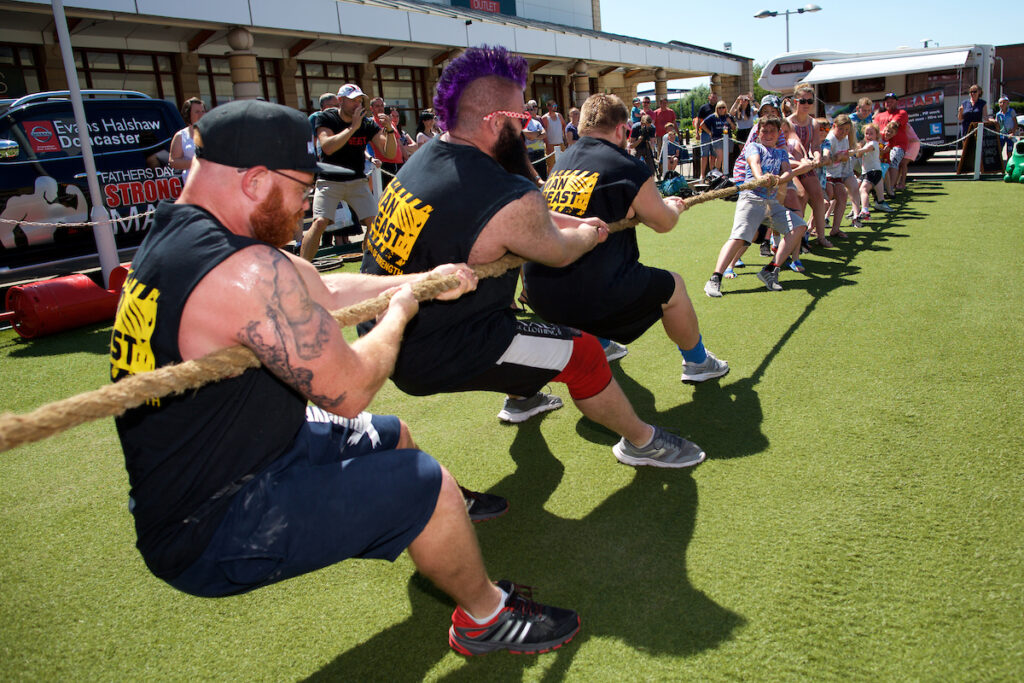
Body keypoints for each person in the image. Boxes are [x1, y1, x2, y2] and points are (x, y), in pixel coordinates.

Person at [108, 99, 580, 657]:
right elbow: (348, 390)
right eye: (302, 189)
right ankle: (484, 618)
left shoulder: (177, 235)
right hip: (212, 520)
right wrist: (400, 313)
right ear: (256, 181)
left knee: (394, 435)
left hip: (241, 457)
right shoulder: (245, 271)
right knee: (422, 482)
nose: (304, 207)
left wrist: (424, 279)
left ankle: (439, 527)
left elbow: (326, 292)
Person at [359, 46, 709, 470]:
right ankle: (642, 442)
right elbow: (559, 252)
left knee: (515, 319)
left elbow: (521, 216)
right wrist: (584, 232)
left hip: (386, 332)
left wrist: (569, 220)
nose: (528, 131)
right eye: (522, 121)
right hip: (434, 346)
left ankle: (522, 397)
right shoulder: (501, 190)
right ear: (496, 121)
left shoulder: (426, 159)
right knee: (584, 355)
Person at [524, 90, 729, 386]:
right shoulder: (626, 165)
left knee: (601, 265)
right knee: (674, 287)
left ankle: (603, 344)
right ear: (622, 129)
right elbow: (662, 223)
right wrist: (675, 206)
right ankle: (698, 362)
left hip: (540, 294)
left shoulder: (562, 162)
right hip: (583, 297)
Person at [703, 116, 808, 297]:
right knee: (739, 237)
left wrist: (777, 180)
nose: (768, 134)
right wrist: (761, 178)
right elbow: (755, 164)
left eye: (772, 131)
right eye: (764, 131)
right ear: (758, 133)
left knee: (799, 226)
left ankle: (770, 270)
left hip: (771, 203)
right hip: (751, 199)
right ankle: (715, 279)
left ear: (778, 135)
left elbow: (787, 172)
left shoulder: (781, 153)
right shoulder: (754, 147)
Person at [299, 83, 396, 262]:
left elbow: (388, 152)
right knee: (320, 222)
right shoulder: (326, 118)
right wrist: (352, 128)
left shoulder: (366, 123)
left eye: (360, 100)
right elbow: (327, 147)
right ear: (340, 101)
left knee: (375, 225)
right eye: (353, 101)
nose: (357, 104)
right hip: (329, 180)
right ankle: (303, 269)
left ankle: (366, 266)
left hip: (357, 181)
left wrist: (389, 130)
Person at [787, 84, 828, 247]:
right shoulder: (788, 122)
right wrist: (806, 159)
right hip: (790, 164)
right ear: (795, 101)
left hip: (806, 164)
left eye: (809, 101)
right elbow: (796, 143)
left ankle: (820, 236)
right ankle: (797, 238)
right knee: (801, 196)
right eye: (802, 100)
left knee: (819, 196)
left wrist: (817, 157)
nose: (806, 104)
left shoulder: (814, 123)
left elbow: (816, 146)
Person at [822, 113, 861, 236]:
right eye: (841, 129)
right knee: (826, 201)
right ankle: (811, 229)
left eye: (847, 130)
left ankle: (835, 229)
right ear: (834, 126)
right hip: (827, 174)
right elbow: (826, 159)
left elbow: (844, 156)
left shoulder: (844, 139)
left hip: (837, 174)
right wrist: (836, 158)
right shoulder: (830, 139)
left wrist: (843, 158)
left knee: (843, 196)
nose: (844, 132)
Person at [874, 92, 911, 193]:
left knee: (893, 160)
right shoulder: (879, 116)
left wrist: (884, 135)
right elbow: (874, 129)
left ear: (896, 102)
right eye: (887, 101)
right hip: (881, 145)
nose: (888, 102)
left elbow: (893, 126)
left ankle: (890, 188)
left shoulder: (902, 113)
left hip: (897, 145)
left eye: (891, 100)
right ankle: (878, 188)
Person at [169, 97, 206, 182]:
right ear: (188, 114)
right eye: (197, 112)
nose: (201, 115)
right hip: (194, 184)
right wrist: (195, 163)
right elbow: (173, 161)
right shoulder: (181, 136)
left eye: (203, 111)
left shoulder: (214, 131)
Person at [701, 100, 732, 175]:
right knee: (720, 156)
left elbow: (734, 128)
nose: (721, 109)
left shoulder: (728, 116)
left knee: (725, 158)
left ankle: (725, 174)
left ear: (726, 108)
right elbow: (702, 124)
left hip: (727, 138)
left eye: (723, 107)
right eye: (719, 108)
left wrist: (730, 122)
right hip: (717, 139)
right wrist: (709, 132)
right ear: (717, 109)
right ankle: (716, 173)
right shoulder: (713, 116)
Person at [523, 99, 548, 181]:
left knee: (543, 177)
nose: (531, 111)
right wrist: (538, 133)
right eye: (529, 109)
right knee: (533, 178)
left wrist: (534, 136)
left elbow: (544, 134)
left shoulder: (537, 122)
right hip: (530, 153)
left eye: (533, 109)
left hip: (540, 152)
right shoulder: (523, 122)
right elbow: (528, 135)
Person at [695, 92, 718, 179]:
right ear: (709, 98)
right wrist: (697, 132)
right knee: (704, 155)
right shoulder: (703, 108)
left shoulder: (718, 108)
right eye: (713, 97)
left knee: (713, 155)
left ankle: (712, 174)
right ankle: (702, 175)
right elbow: (698, 121)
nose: (714, 99)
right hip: (705, 134)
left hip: (716, 134)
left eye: (715, 98)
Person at [995, 96, 1018, 161]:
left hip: (1010, 135)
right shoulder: (998, 114)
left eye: (1004, 102)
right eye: (1000, 102)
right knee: (999, 150)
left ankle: (1009, 165)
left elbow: (1016, 123)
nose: (1002, 104)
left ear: (1007, 103)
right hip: (1001, 135)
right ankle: (1000, 165)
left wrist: (1013, 132)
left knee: (1009, 151)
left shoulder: (1011, 111)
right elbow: (997, 124)